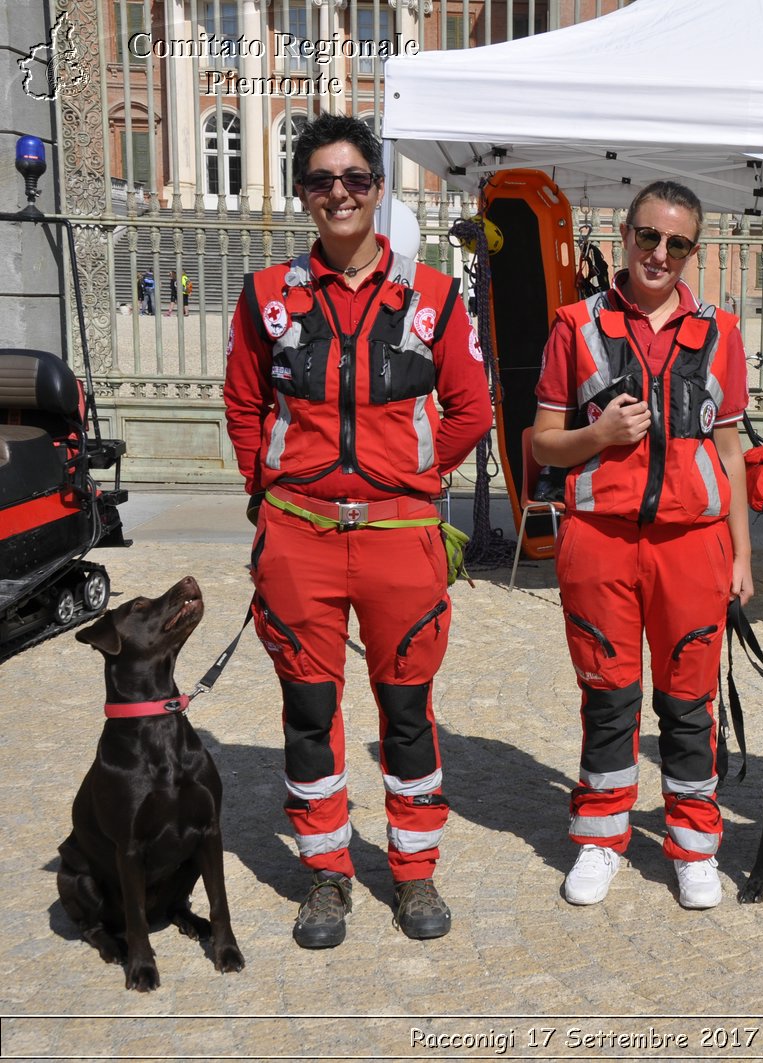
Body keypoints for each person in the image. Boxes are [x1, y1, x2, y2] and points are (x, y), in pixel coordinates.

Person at [222, 113, 492, 949]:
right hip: (298, 535)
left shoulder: (433, 296)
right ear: (303, 193)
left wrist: (408, 471)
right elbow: (241, 404)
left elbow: (471, 409)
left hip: (397, 537)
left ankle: (413, 873)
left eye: (354, 179)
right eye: (320, 180)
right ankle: (327, 875)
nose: (338, 193)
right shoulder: (267, 296)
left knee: (406, 712)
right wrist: (267, 490)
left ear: (377, 189)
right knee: (309, 712)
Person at [530, 179, 753, 911]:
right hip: (601, 538)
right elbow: (541, 443)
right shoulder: (576, 323)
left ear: (693, 250)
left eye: (676, 242)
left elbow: (730, 454)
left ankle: (694, 844)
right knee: (608, 695)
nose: (659, 253)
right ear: (623, 235)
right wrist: (598, 436)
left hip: (692, 544)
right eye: (647, 237)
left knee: (690, 704)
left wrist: (743, 555)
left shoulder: (720, 331)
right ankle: (600, 834)